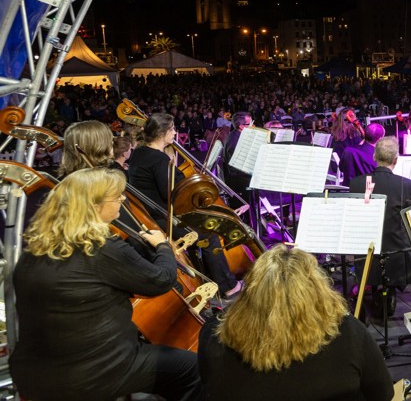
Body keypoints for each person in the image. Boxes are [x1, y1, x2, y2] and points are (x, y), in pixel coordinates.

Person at [10, 167, 204, 401]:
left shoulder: (35, 250)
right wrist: (163, 246)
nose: (123, 199)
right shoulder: (100, 248)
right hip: (91, 374)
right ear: (94, 206)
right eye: (117, 196)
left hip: (32, 373)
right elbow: (161, 280)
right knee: (193, 368)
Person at [198, 245, 393, 401]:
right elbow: (383, 394)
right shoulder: (349, 333)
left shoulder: (214, 335)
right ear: (317, 290)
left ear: (250, 292)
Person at [128, 112, 241, 298]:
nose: (175, 132)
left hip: (153, 214)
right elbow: (173, 195)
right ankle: (228, 286)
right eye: (172, 129)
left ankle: (210, 279)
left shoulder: (140, 152)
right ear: (162, 133)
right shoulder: (159, 159)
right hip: (164, 219)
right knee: (210, 234)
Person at [348, 137, 411, 299]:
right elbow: (410, 223)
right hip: (396, 256)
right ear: (396, 160)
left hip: (366, 253)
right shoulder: (406, 185)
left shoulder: (357, 183)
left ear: (374, 157)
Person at [223, 111, 254, 201]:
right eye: (250, 123)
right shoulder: (234, 141)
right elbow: (238, 167)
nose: (252, 126)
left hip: (239, 174)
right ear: (241, 126)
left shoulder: (238, 135)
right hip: (237, 179)